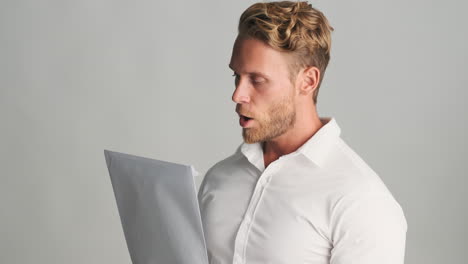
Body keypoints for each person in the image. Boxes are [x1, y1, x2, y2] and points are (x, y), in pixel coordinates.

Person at [197, 1, 408, 263]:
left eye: (257, 80)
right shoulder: (219, 179)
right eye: (236, 77)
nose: (237, 95)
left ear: (308, 81)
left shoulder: (362, 201)